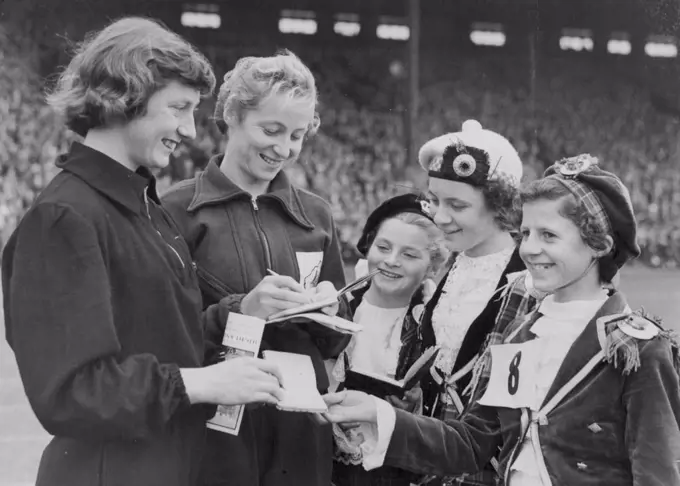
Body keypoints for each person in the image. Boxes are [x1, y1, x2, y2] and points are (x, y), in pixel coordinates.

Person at [1, 18, 287, 486]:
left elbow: (165, 335)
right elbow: (73, 392)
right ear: (124, 97)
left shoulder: (145, 205)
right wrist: (200, 383)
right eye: (178, 108)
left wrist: (242, 313)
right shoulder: (64, 217)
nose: (191, 129)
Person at [322, 155, 680, 486]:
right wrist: (380, 414)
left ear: (599, 244)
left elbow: (658, 471)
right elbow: (471, 443)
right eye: (525, 234)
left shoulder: (636, 348)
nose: (528, 249)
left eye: (549, 235)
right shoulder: (519, 333)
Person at [161, 50, 349, 486]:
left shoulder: (316, 216)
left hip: (301, 441)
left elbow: (337, 342)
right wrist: (242, 310)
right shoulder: (176, 210)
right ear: (232, 116)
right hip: (211, 439)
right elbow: (162, 338)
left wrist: (331, 313)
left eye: (298, 135)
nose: (284, 148)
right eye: (271, 130)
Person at [416, 120, 528, 485]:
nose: (440, 217)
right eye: (434, 201)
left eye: (457, 205)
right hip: (434, 456)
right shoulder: (455, 264)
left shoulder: (528, 280)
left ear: (500, 205)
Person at [330, 193, 448, 486]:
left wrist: (417, 402)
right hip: (325, 458)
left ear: (432, 267)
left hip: (392, 469)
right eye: (383, 247)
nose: (391, 261)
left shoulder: (435, 323)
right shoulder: (339, 306)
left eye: (409, 255)